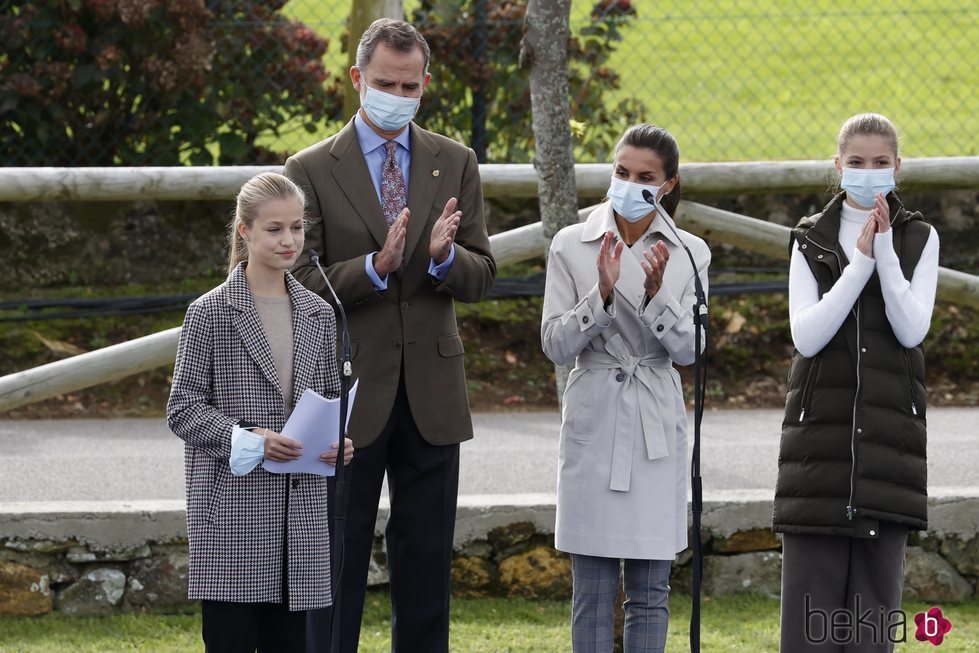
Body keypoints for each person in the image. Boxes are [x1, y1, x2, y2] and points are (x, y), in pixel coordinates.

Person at [284, 18, 496, 652]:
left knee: (427, 559)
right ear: (357, 80)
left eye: (409, 86)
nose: (397, 96)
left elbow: (482, 275)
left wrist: (439, 260)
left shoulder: (454, 161)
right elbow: (296, 280)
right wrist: (374, 269)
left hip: (432, 391)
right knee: (337, 559)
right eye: (385, 83)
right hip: (348, 391)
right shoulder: (312, 168)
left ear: (425, 85)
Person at [167, 172, 354, 652]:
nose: (289, 240)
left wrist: (338, 443)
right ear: (244, 231)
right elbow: (183, 409)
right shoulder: (209, 313)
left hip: (301, 518)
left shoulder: (320, 311)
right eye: (275, 229)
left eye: (297, 227)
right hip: (232, 513)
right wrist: (250, 439)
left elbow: (328, 400)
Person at [541, 123, 710, 653]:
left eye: (644, 176)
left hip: (654, 419)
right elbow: (554, 343)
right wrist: (603, 294)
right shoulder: (571, 244)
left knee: (650, 590)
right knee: (591, 591)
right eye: (620, 171)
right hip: (595, 417)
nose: (629, 184)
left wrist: (657, 298)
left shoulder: (690, 252)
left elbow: (692, 351)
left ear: (668, 185)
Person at [774, 113, 939, 652]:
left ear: (897, 167)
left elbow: (911, 328)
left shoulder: (920, 237)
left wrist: (886, 255)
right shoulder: (809, 239)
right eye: (857, 163)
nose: (868, 174)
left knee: (871, 633)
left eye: (880, 163)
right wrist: (858, 264)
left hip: (888, 455)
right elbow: (808, 336)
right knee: (809, 631)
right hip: (816, 456)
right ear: (838, 166)